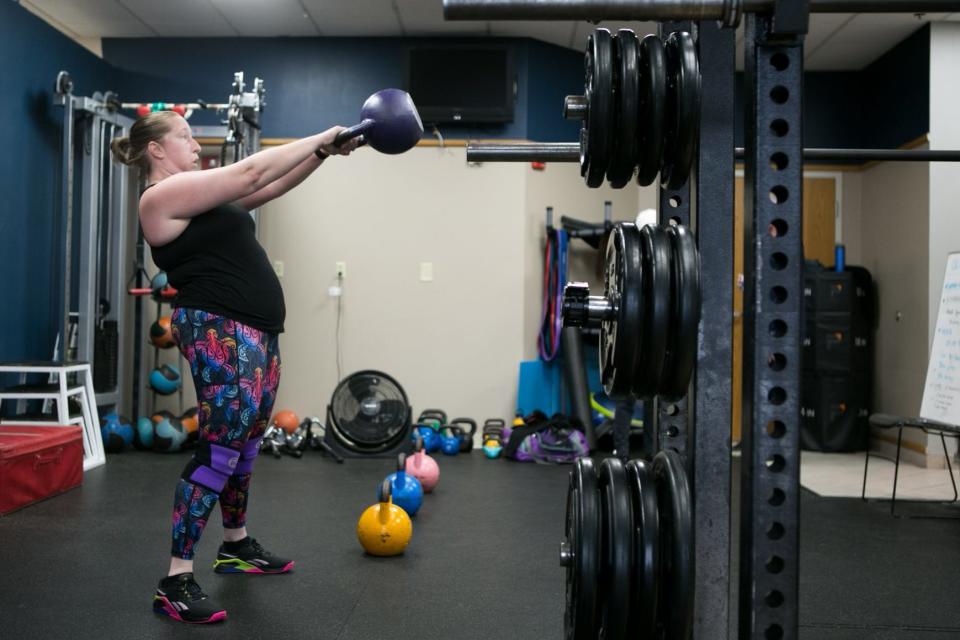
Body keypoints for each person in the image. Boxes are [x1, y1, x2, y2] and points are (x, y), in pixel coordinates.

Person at [111, 111, 359, 624]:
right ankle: (175, 579)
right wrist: (323, 133)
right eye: (184, 137)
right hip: (219, 329)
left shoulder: (202, 196)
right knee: (219, 449)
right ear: (156, 150)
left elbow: (267, 187)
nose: (195, 145)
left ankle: (235, 546)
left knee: (245, 444)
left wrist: (322, 155)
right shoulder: (158, 199)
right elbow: (250, 173)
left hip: (257, 330)